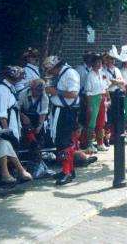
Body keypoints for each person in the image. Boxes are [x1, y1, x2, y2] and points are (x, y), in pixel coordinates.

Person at [43, 56, 80, 185]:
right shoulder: (63, 73)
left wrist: (55, 91)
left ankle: (67, 172)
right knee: (61, 141)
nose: (49, 72)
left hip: (66, 111)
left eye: (50, 69)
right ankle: (69, 169)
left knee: (64, 141)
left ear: (55, 66)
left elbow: (73, 94)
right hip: (60, 110)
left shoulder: (70, 73)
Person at [18, 79, 50, 161]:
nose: (39, 92)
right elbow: (17, 109)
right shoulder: (23, 94)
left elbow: (43, 113)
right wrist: (22, 116)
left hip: (37, 117)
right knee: (25, 135)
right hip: (24, 116)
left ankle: (36, 157)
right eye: (37, 90)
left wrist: (39, 126)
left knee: (39, 135)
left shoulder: (44, 97)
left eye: (41, 90)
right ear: (32, 88)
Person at [85, 54, 109, 153]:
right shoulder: (90, 75)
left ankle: (100, 143)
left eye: (100, 62)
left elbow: (106, 87)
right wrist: (89, 104)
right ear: (93, 63)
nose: (99, 64)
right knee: (92, 123)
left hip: (102, 97)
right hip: (93, 99)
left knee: (101, 122)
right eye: (97, 62)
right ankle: (90, 144)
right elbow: (88, 91)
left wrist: (108, 99)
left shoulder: (102, 73)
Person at [102, 53, 125, 146]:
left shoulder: (116, 69)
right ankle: (106, 138)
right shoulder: (103, 70)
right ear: (106, 60)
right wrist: (116, 82)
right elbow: (106, 85)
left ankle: (115, 136)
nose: (112, 61)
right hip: (109, 94)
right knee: (108, 117)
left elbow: (122, 82)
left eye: (113, 59)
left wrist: (114, 82)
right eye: (110, 59)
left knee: (117, 116)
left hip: (117, 93)